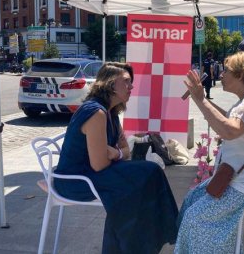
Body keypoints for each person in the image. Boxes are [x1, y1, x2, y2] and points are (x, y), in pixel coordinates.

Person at [53, 62, 178, 253]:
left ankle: (145, 242)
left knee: (149, 173)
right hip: (75, 181)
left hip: (93, 173)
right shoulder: (96, 113)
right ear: (110, 84)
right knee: (142, 179)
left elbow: (125, 151)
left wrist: (115, 153)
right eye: (126, 82)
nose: (131, 86)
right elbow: (99, 164)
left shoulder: (110, 112)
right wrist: (113, 154)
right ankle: (141, 243)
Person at [175, 52, 244, 253]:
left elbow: (229, 130)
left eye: (227, 71)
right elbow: (229, 119)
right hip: (241, 178)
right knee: (191, 201)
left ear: (241, 75)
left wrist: (200, 100)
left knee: (195, 219)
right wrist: (201, 99)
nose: (221, 74)